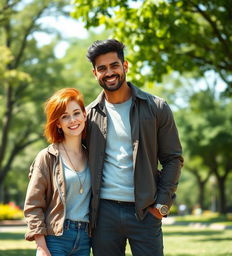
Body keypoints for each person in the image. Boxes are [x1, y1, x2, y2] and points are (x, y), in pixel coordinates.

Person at [85, 39, 184, 256]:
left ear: (125, 66)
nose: (109, 73)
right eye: (102, 68)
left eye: (114, 65)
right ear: (95, 74)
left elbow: (173, 158)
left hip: (145, 211)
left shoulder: (157, 108)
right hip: (103, 215)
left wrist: (162, 204)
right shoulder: (88, 115)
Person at [24, 88, 91, 256]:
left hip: (85, 239)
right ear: (58, 123)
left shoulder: (93, 156)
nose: (72, 120)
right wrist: (41, 246)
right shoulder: (47, 157)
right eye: (65, 116)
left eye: (76, 113)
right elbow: (33, 205)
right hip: (56, 237)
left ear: (84, 115)